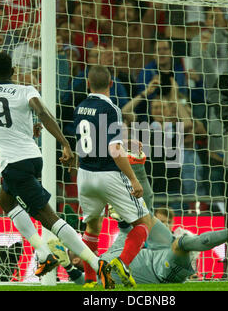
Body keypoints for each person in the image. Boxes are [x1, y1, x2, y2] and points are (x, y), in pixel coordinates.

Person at [0, 52, 114, 289]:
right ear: (14, 71)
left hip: (12, 163)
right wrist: (64, 142)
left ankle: (96, 262)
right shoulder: (26, 89)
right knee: (6, 200)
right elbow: (43, 113)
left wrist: (5, 134)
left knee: (48, 217)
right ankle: (42, 253)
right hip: (32, 157)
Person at [72, 65, 154, 288]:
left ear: (88, 84)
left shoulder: (79, 108)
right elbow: (114, 150)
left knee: (92, 227)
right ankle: (122, 263)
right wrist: (134, 179)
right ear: (111, 84)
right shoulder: (111, 109)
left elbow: (90, 141)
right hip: (108, 174)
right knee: (144, 222)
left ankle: (89, 280)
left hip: (85, 175)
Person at [49, 215, 228, 285]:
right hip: (162, 272)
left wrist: (119, 213)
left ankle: (137, 164)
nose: (79, 245)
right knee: (181, 243)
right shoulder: (102, 276)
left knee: (145, 215)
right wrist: (66, 266)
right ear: (76, 260)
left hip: (159, 249)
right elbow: (85, 282)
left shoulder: (110, 251)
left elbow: (126, 229)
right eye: (74, 249)